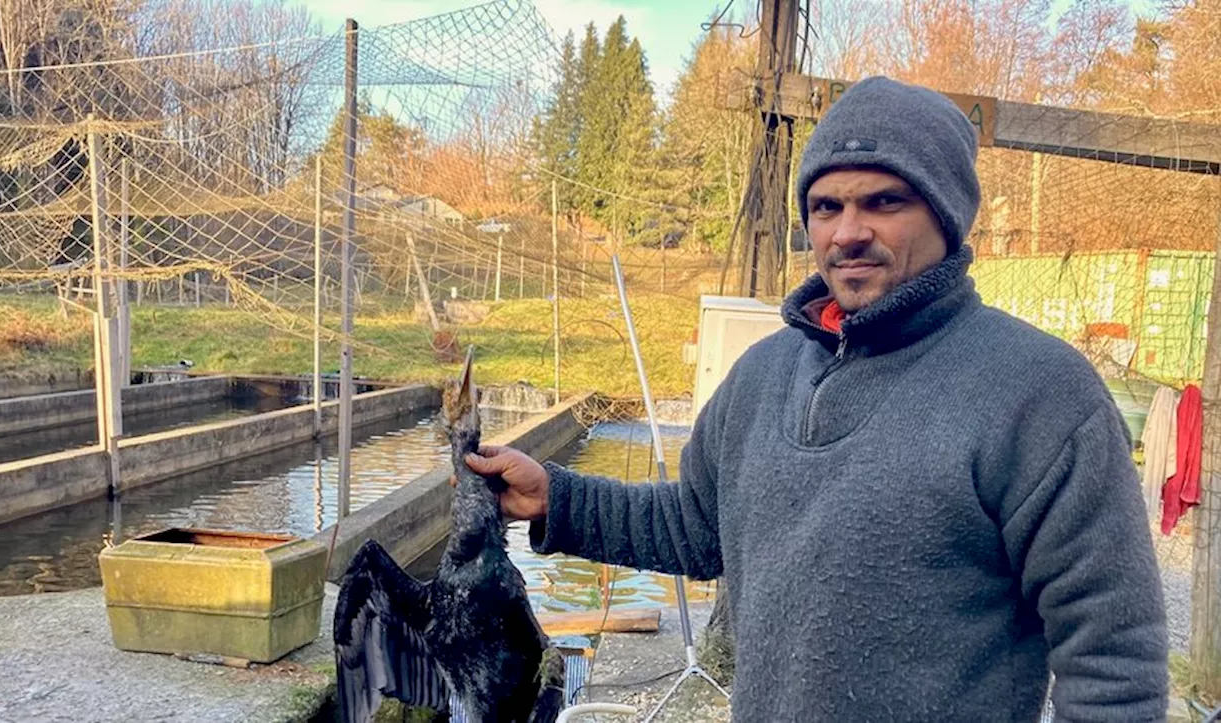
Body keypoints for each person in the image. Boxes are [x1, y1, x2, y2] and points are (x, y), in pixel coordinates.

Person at [463, 76, 1169, 721]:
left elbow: (1114, 657)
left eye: (884, 201)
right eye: (827, 206)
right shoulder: (763, 373)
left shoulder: (1040, 392)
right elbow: (698, 525)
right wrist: (556, 496)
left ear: (948, 215)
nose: (848, 231)